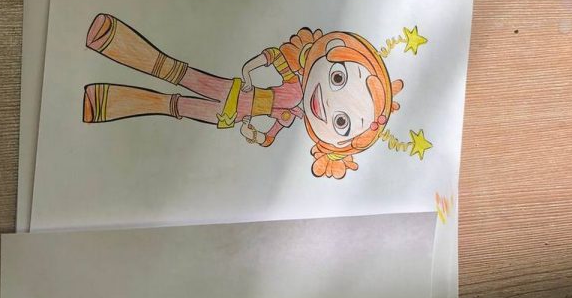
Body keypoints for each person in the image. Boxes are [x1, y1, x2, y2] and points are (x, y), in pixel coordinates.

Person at [82, 16, 403, 179]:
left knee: (172, 105)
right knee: (175, 72)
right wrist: (250, 70)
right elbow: (274, 57)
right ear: (331, 50)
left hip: (232, 115)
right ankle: (113, 40)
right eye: (338, 78)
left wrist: (254, 134)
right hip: (232, 90)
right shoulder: (294, 83)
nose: (328, 104)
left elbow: (269, 136)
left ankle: (106, 102)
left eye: (341, 122)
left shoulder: (290, 115)